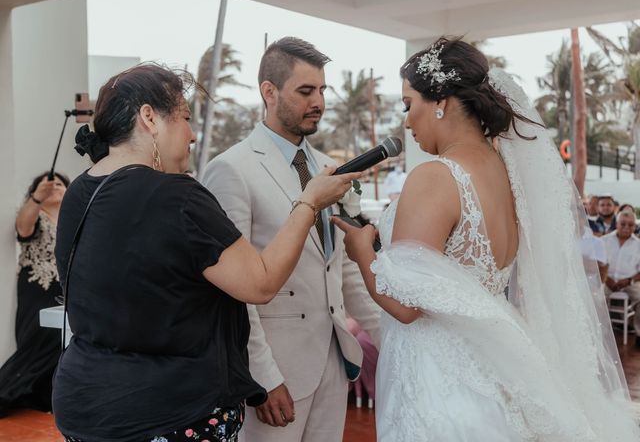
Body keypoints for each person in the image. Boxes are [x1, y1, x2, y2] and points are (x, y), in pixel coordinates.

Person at [333, 37, 640, 441]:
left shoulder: (434, 177)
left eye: (409, 105)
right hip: (496, 366)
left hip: (440, 375)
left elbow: (408, 307)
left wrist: (362, 254)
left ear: (440, 99)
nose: (407, 122)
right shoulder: (508, 176)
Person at [52, 63, 359, 442]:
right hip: (168, 410)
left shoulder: (79, 192)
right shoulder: (177, 196)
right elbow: (260, 283)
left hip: (87, 402)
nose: (193, 134)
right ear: (149, 118)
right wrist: (309, 202)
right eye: (183, 118)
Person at [202, 37, 380, 442]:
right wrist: (261, 377)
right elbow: (233, 291)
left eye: (322, 90)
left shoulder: (326, 169)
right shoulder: (231, 169)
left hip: (334, 363)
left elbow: (342, 270)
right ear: (269, 91)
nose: (318, 101)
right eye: (305, 91)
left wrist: (394, 343)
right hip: (276, 372)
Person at [0, 171, 69, 417]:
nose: (55, 187)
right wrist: (37, 199)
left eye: (60, 184)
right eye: (49, 184)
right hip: (37, 288)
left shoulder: (74, 220)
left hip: (67, 291)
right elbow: (23, 228)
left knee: (61, 345)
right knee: (36, 342)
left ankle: (43, 397)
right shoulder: (36, 215)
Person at [602, 211, 640, 345]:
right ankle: (600, 332)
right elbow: (596, 264)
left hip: (630, 282)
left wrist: (628, 280)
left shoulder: (638, 244)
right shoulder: (604, 240)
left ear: (635, 227)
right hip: (607, 280)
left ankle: (639, 334)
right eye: (623, 224)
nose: (626, 227)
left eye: (631, 225)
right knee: (596, 297)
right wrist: (607, 279)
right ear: (616, 224)